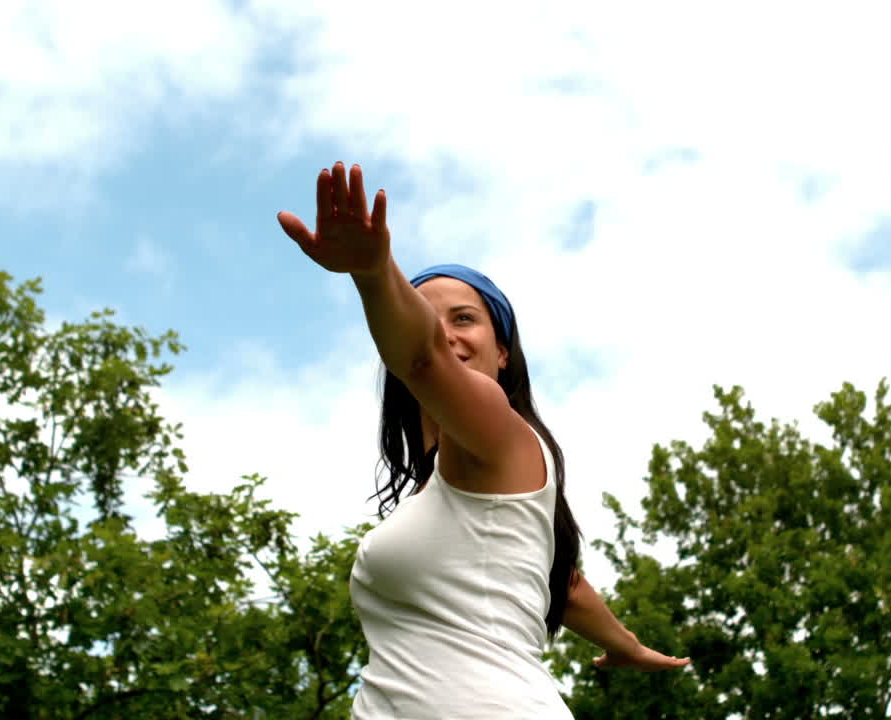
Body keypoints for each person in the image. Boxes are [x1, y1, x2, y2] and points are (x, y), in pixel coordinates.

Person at [278, 162, 688, 719]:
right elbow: (561, 584)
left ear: (502, 352)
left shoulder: (501, 438)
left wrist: (374, 272)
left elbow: (425, 358)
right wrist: (626, 646)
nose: (446, 333)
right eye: (428, 316)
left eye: (465, 318)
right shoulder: (456, 492)